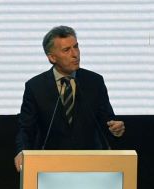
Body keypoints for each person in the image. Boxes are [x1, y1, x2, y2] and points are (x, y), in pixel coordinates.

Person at [13, 26, 125, 172]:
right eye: (66, 50)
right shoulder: (35, 87)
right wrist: (21, 151)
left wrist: (116, 128)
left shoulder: (94, 81)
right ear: (52, 57)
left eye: (76, 47)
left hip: (90, 164)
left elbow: (107, 120)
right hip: (50, 166)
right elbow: (26, 128)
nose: (75, 54)